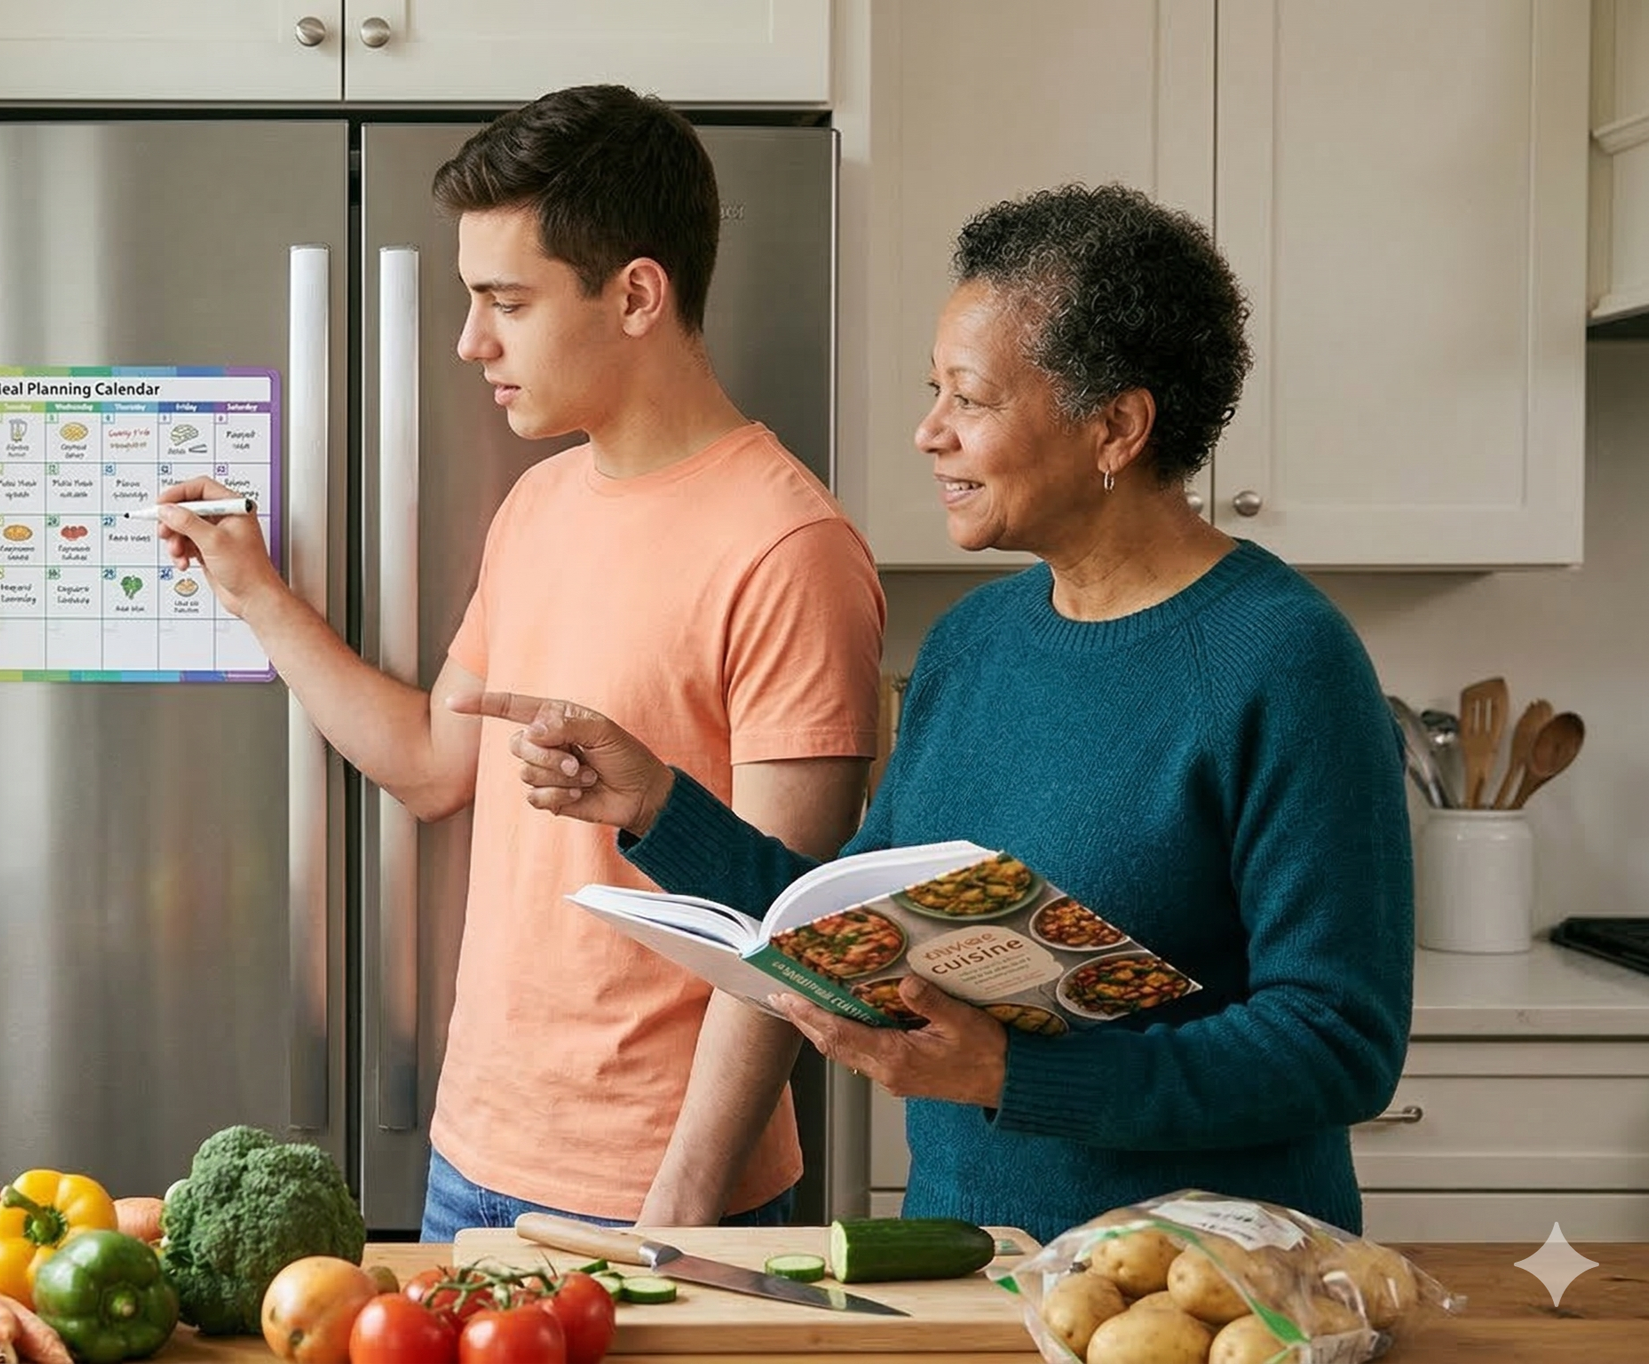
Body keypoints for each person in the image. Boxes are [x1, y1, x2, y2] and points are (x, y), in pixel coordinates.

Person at [457, 183, 1415, 1246]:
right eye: (932, 391)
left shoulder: (1284, 661)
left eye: (967, 398)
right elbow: (839, 924)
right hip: (966, 1259)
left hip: (1202, 1286)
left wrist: (1012, 1072)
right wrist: (654, 801)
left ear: (1115, 425)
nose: (927, 433)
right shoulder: (974, 641)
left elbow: (1336, 1042)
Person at [153, 84, 886, 1238]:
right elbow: (436, 763)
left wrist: (676, 1215)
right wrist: (255, 593)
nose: (468, 341)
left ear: (636, 292)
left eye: (506, 300)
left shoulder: (789, 548)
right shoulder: (539, 503)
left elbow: (787, 931)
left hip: (656, 1195)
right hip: (470, 1160)